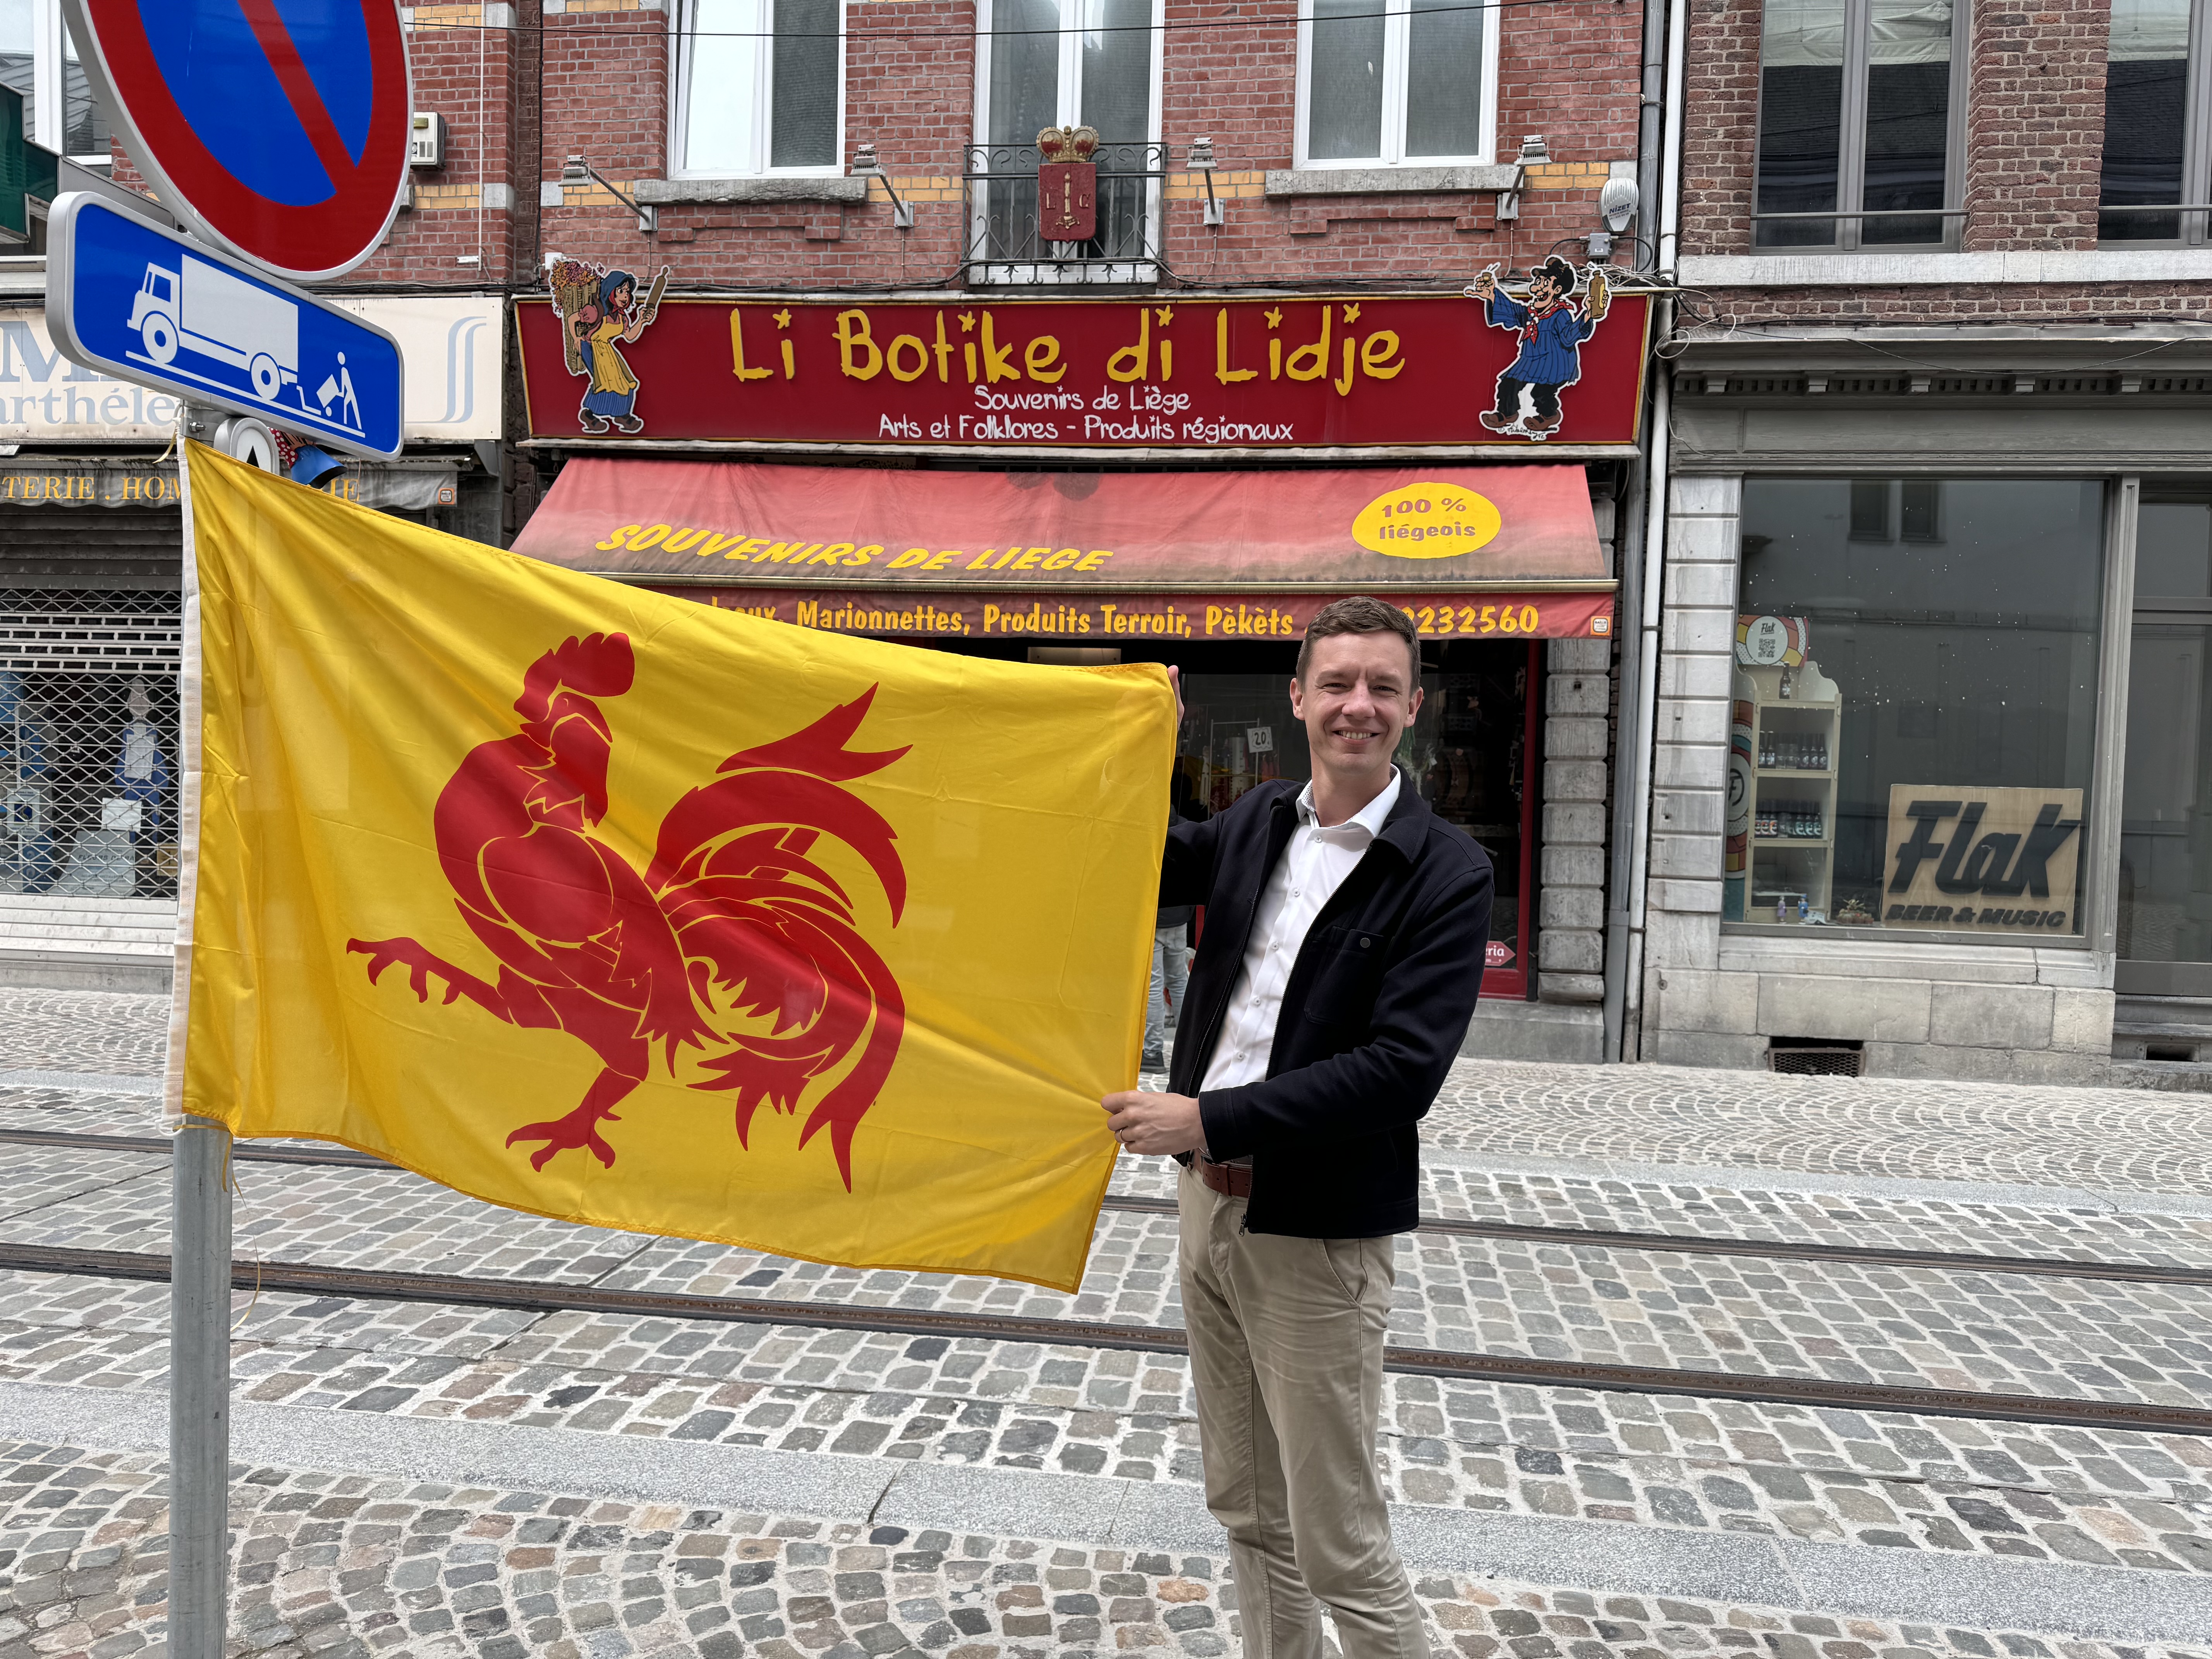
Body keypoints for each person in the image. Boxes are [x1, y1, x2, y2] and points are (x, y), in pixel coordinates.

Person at [1104, 596, 1492, 1659]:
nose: (1355, 706)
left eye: (1379, 686)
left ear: (1414, 705)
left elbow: (1397, 1072)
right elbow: (1125, 855)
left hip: (1316, 1239)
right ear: (1298, 698)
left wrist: (1205, 1113)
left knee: (1340, 1546)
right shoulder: (1255, 823)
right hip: (1208, 1215)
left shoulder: (1447, 870)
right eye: (1336, 684)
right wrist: (1135, 738)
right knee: (1249, 1512)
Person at [1467, 255, 1609, 439]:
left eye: (1544, 283)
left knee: (1541, 391)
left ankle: (1549, 416)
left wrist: (1588, 314)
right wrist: (1493, 294)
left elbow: (1568, 337)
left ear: (1557, 290)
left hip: (1555, 362)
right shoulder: (1532, 311)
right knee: (1508, 383)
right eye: (1539, 281)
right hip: (1532, 359)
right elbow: (1513, 312)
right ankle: (1506, 414)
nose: (1539, 286)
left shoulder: (1561, 314)